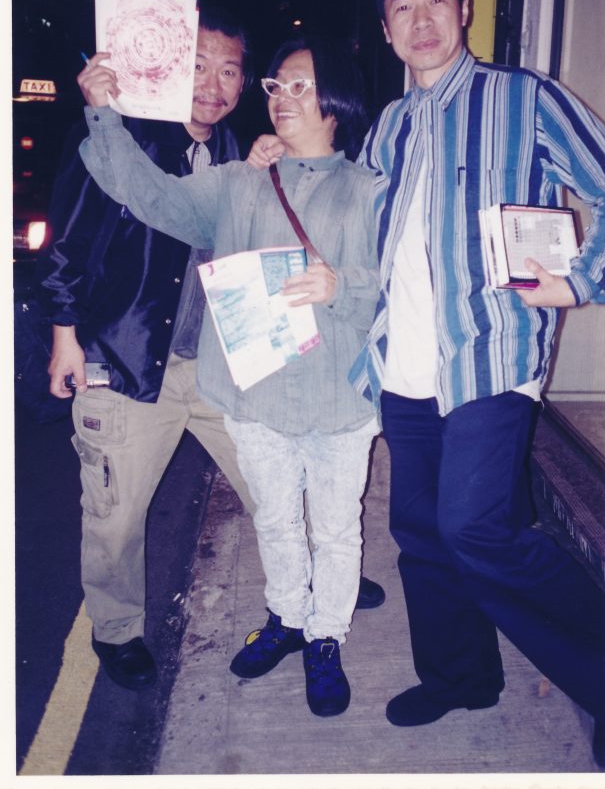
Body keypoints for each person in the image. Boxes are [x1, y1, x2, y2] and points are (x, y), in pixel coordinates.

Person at [344, 0, 605, 768]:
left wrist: (581, 281)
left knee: (475, 527)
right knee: (422, 531)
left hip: (490, 353)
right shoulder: (388, 126)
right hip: (403, 362)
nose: (420, 19)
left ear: (462, 10)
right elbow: (353, 224)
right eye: (402, 7)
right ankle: (461, 677)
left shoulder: (524, 98)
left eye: (435, 0)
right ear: (386, 30)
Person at [76, 35, 382, 717]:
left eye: (299, 86)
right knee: (275, 520)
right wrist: (105, 115)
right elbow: (152, 196)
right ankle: (287, 617)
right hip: (255, 394)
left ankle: (325, 637)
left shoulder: (369, 191)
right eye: (275, 86)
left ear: (336, 100)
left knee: (336, 530)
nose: (281, 98)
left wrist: (343, 286)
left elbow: (403, 291)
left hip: (338, 398)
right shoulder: (240, 182)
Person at [36, 5, 256, 691]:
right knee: (116, 512)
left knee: (275, 479)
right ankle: (117, 630)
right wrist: (65, 339)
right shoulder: (119, 141)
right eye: (198, 66)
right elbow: (68, 243)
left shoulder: (238, 151)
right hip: (126, 360)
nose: (213, 85)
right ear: (169, 68)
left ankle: (319, 577)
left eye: (229, 70)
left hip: (216, 366)